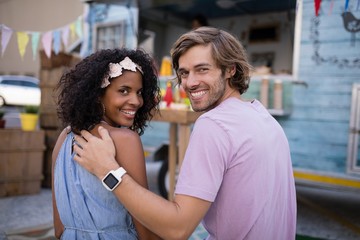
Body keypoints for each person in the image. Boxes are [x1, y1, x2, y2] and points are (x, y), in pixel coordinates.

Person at [73, 27, 297, 240]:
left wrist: (108, 171)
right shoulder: (263, 116)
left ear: (231, 69)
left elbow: (177, 229)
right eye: (184, 73)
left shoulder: (214, 125)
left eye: (202, 69)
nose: (190, 82)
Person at [51, 48, 161, 240]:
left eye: (140, 92)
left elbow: (59, 228)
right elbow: (146, 234)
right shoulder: (125, 140)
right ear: (97, 94)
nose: (136, 101)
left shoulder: (64, 137)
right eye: (124, 90)